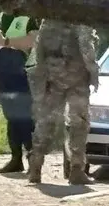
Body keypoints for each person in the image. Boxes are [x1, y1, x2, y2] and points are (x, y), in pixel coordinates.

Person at [28, 21, 99, 185]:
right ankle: (76, 169)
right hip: (77, 78)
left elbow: (39, 49)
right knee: (78, 123)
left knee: (46, 121)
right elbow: (85, 45)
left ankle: (35, 166)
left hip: (52, 76)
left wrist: (41, 74)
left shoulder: (49, 19)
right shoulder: (79, 16)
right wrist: (93, 72)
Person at [0, 12, 40, 173]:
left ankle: (33, 158)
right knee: (12, 118)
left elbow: (32, 40)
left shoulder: (29, 15)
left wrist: (5, 42)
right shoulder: (1, 15)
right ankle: (16, 159)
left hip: (23, 75)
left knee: (25, 119)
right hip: (5, 75)